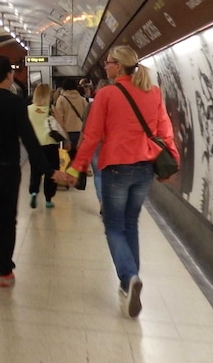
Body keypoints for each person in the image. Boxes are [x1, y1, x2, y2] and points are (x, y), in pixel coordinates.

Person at [63, 46, 180, 318]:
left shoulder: (106, 95)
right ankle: (129, 281)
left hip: (117, 168)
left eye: (109, 62)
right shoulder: (154, 92)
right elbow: (165, 131)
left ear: (119, 66)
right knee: (131, 225)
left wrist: (75, 168)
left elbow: (91, 137)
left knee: (114, 226)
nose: (105, 66)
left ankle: (129, 278)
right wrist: (172, 159)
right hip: (145, 169)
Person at [0, 56, 61, 302]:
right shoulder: (17, 103)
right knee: (6, 222)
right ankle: (4, 272)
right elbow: (30, 141)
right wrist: (49, 171)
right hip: (7, 172)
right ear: (8, 75)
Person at [26, 83, 68, 209]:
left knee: (35, 171)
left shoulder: (28, 109)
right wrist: (66, 139)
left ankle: (34, 192)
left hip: (35, 147)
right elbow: (62, 125)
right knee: (51, 173)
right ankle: (48, 199)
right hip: (50, 145)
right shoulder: (51, 108)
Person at [82, 78, 114, 214]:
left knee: (99, 175)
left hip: (96, 144)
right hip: (112, 144)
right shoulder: (118, 105)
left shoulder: (91, 105)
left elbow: (85, 126)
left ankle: (102, 201)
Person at [55, 77, 87, 160]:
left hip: (67, 133)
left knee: (67, 159)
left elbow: (59, 119)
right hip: (81, 132)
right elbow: (87, 117)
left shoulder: (61, 99)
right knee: (79, 158)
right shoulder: (82, 100)